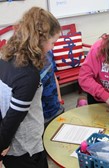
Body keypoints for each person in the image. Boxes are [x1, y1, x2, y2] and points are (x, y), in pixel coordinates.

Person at [0, 7, 61, 168]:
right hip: (24, 147)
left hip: (21, 142)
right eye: (52, 42)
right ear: (40, 40)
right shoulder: (28, 74)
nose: (53, 47)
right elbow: (14, 117)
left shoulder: (7, 56)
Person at [40, 50, 64, 127]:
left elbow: (53, 77)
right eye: (53, 42)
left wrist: (59, 99)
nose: (53, 47)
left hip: (56, 107)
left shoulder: (49, 53)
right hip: (41, 115)